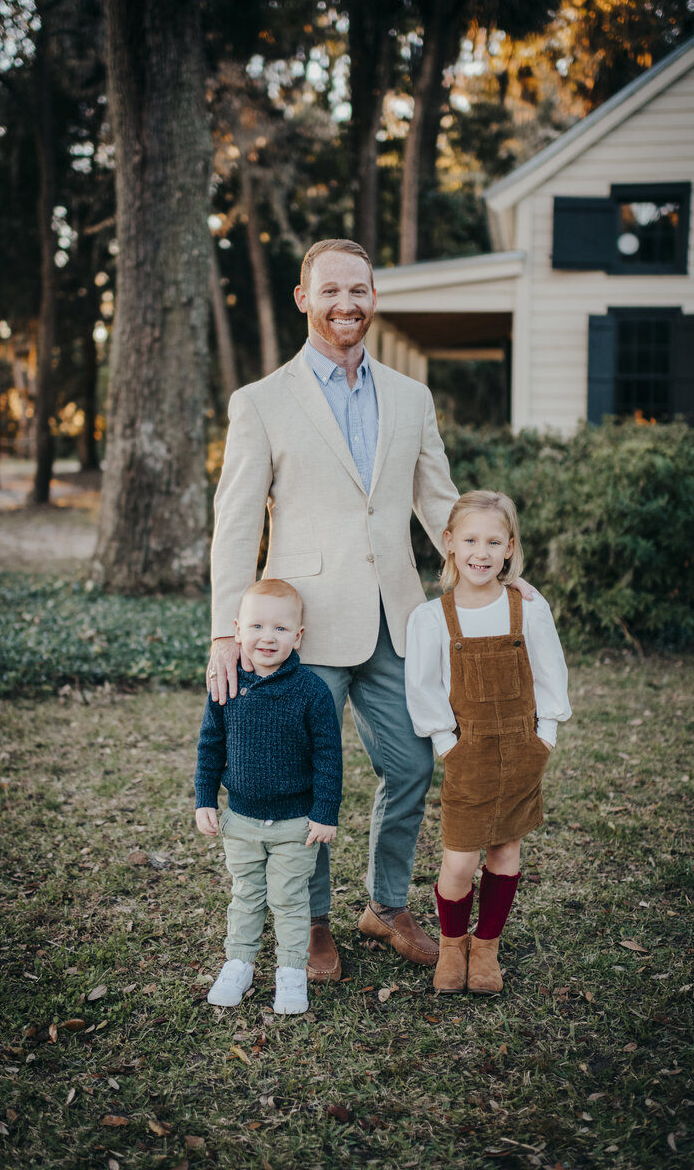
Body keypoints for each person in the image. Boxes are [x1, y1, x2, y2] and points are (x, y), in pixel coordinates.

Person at [206, 238, 463, 982]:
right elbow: (235, 521)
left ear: (373, 297)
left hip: (396, 617)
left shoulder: (411, 397)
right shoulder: (260, 403)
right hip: (300, 626)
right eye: (330, 290)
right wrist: (229, 629)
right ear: (303, 298)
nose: (346, 303)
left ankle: (385, 906)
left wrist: (497, 576)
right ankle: (312, 924)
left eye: (359, 289)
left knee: (412, 763)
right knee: (302, 776)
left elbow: (438, 501)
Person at [405, 490, 571, 994]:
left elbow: (550, 674)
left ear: (509, 548)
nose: (481, 551)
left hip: (523, 748)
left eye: (493, 541)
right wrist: (446, 743)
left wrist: (545, 736)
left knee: (505, 853)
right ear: (450, 543)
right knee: (458, 861)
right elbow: (423, 687)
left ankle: (486, 949)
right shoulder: (432, 617)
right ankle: (452, 945)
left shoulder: (527, 609)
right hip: (468, 752)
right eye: (471, 539)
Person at [195, 579, 343, 1015]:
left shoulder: (311, 691)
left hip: (296, 822)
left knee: (290, 898)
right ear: (237, 630)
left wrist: (324, 812)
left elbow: (328, 756)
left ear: (298, 636)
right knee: (246, 894)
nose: (267, 637)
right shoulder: (226, 684)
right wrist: (206, 798)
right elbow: (210, 745)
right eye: (257, 626)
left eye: (280, 629)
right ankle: (238, 964)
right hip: (240, 819)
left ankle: (292, 972)